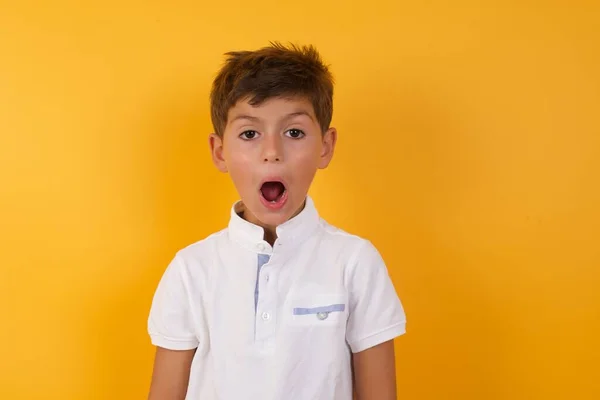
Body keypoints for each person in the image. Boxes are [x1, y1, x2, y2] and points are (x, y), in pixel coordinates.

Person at [147, 42, 407, 400]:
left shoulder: (355, 262)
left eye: (294, 132)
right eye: (250, 134)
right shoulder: (191, 270)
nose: (272, 152)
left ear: (325, 147)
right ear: (220, 151)